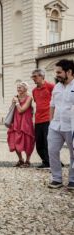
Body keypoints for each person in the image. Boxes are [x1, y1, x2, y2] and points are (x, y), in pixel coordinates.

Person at [47, 59, 74, 190]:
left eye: (59, 72)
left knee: (73, 153)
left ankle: (73, 180)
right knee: (52, 150)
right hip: (56, 125)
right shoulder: (57, 86)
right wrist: (51, 121)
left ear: (69, 72)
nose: (56, 75)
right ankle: (57, 179)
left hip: (71, 126)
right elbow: (52, 105)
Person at [7, 82, 35, 168]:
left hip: (25, 122)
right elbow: (11, 109)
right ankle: (20, 159)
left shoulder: (29, 97)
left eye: (20, 87)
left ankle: (27, 161)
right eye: (18, 87)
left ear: (26, 88)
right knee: (14, 140)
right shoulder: (16, 97)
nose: (18, 89)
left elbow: (21, 110)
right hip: (16, 121)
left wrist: (17, 102)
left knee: (27, 141)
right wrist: (13, 102)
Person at [31, 69, 55, 169]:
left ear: (42, 76)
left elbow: (56, 101)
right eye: (32, 77)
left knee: (48, 142)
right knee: (39, 143)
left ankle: (52, 162)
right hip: (38, 120)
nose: (33, 79)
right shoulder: (34, 90)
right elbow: (37, 102)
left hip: (48, 119)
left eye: (35, 76)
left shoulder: (51, 86)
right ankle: (46, 161)